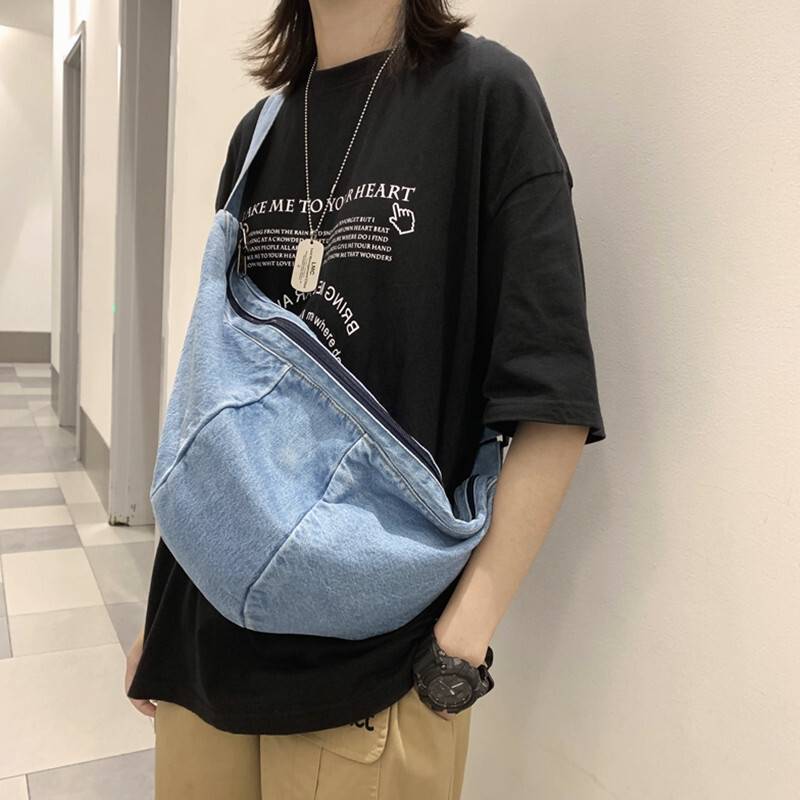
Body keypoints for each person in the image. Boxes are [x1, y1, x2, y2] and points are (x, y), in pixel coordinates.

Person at [125, 0, 606, 797]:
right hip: (200, 653)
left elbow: (552, 400)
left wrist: (461, 643)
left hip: (373, 679)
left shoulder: (485, 97)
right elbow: (214, 400)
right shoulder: (258, 135)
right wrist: (159, 615)